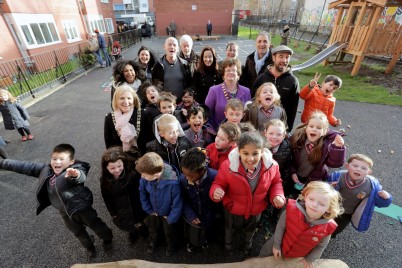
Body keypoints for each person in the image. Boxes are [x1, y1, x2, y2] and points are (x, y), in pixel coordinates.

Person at [0, 144, 113, 257]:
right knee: (77, 231)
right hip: (64, 211)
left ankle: (107, 239)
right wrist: (4, 163)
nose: (57, 162)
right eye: (54, 158)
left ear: (71, 161)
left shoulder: (75, 169)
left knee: (95, 223)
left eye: (62, 159)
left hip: (81, 208)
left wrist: (75, 174)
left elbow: (80, 176)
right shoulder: (45, 170)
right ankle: (89, 246)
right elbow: (25, 166)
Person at [210, 131, 285, 255]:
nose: (250, 159)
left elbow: (276, 182)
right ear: (239, 151)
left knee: (251, 228)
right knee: (230, 227)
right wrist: (216, 192)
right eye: (245, 153)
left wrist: (277, 195)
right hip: (233, 208)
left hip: (256, 208)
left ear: (262, 151)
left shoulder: (272, 166)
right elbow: (219, 183)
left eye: (255, 153)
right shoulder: (228, 166)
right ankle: (228, 244)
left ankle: (248, 243)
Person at [259, 181, 344, 268]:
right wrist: (276, 245)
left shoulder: (328, 227)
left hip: (297, 254)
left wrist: (309, 259)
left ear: (329, 209)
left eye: (322, 204)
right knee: (264, 255)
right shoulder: (291, 210)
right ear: (305, 196)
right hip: (277, 242)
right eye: (311, 199)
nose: (314, 205)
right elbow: (280, 227)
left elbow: (321, 246)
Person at [327, 154, 392, 237]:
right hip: (331, 207)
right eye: (355, 166)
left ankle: (329, 236)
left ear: (369, 172)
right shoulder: (337, 176)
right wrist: (329, 186)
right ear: (347, 166)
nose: (358, 169)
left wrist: (386, 198)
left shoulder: (371, 187)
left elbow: (379, 203)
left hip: (347, 213)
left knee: (337, 228)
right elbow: (323, 187)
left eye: (364, 168)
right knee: (323, 221)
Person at [136, 152, 183, 256]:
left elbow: (177, 204)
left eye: (144, 175)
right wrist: (149, 209)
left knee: (169, 231)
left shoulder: (173, 183)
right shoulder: (145, 175)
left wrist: (171, 218)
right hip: (153, 211)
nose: (142, 176)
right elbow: (142, 192)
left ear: (156, 175)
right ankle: (153, 241)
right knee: (153, 228)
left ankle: (171, 245)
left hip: (168, 214)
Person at [290, 111, 346, 195]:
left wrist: (337, 148)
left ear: (324, 131)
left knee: (306, 199)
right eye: (311, 126)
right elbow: (288, 158)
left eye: (319, 128)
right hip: (294, 176)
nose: (314, 129)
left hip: (314, 179)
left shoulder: (328, 145)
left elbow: (334, 164)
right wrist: (292, 171)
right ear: (306, 128)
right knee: (291, 195)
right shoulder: (297, 139)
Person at [100, 147, 148, 244]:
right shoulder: (105, 181)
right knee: (128, 223)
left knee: (140, 220)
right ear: (106, 168)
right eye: (112, 168)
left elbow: (142, 190)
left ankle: (143, 231)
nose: (117, 170)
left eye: (119, 166)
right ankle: (132, 233)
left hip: (136, 205)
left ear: (123, 163)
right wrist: (112, 212)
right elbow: (107, 198)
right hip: (121, 208)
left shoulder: (133, 174)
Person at [180, 147, 219, 253]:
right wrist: (190, 214)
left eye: (191, 176)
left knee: (208, 230)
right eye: (184, 174)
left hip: (210, 214)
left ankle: (205, 240)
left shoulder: (215, 177)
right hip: (193, 214)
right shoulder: (183, 179)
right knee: (193, 232)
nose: (187, 178)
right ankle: (192, 243)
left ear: (202, 170)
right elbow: (182, 199)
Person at [253, 45, 299, 132]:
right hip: (259, 129)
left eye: (287, 57)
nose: (284, 60)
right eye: (281, 56)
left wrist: (287, 130)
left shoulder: (293, 81)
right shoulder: (261, 78)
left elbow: (293, 108)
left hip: (278, 131)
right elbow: (253, 101)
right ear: (273, 58)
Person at [205, 58, 251, 129]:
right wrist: (214, 132)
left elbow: (248, 115)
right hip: (219, 132)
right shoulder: (213, 90)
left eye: (234, 70)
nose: (231, 72)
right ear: (223, 75)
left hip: (240, 133)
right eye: (228, 70)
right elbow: (207, 114)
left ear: (238, 75)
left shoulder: (246, 91)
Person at [104, 85, 145, 159]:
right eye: (122, 98)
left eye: (129, 98)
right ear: (116, 100)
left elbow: (149, 140)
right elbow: (109, 145)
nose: (126, 102)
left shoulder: (143, 114)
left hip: (142, 159)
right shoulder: (109, 117)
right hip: (120, 161)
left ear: (134, 99)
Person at [264, 119, 292, 197]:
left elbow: (286, 169)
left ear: (283, 136)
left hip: (277, 182)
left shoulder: (287, 149)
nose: (274, 137)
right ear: (265, 133)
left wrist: (282, 185)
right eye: (271, 133)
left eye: (279, 134)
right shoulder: (259, 147)